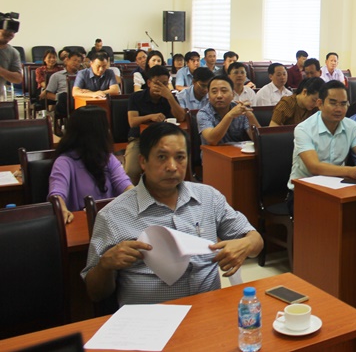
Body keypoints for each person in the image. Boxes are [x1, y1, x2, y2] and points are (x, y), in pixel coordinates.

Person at [81, 123, 263, 305]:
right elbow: (95, 293)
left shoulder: (208, 197)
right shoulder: (112, 215)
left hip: (207, 311)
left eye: (180, 157)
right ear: (143, 161)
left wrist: (246, 244)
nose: (172, 167)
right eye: (162, 157)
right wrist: (105, 265)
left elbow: (256, 241)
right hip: (149, 317)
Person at [288, 81, 356, 202]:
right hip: (304, 192)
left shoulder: (352, 126)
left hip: (338, 189)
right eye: (333, 103)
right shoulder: (304, 129)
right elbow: (314, 167)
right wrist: (350, 171)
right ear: (320, 104)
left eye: (343, 104)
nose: (338, 109)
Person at [47, 106, 134, 223]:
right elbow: (57, 193)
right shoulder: (64, 162)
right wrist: (61, 209)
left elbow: (124, 184)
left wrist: (137, 198)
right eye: (106, 128)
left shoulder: (107, 158)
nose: (109, 132)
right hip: (80, 224)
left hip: (109, 222)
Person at [125, 65, 186, 183]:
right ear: (149, 83)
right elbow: (132, 122)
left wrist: (170, 97)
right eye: (157, 83)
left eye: (164, 83)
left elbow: (181, 117)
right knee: (131, 171)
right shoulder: (136, 97)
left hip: (165, 141)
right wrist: (150, 117)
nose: (161, 87)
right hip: (139, 139)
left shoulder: (169, 97)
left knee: (174, 167)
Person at [198, 75, 259, 145]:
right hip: (212, 151)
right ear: (208, 95)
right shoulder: (203, 113)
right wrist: (229, 115)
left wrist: (250, 116)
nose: (219, 96)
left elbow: (257, 139)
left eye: (224, 91)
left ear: (233, 94)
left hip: (238, 151)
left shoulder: (240, 110)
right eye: (214, 92)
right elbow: (212, 140)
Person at [45, 50, 82, 117]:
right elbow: (48, 94)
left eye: (79, 61)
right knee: (63, 96)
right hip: (64, 101)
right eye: (74, 60)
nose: (76, 63)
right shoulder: (56, 76)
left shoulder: (82, 76)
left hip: (79, 100)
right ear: (67, 60)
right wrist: (60, 98)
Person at [0, 26, 22, 90]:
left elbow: (18, 79)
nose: (11, 34)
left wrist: (1, 71)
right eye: (6, 31)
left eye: (13, 32)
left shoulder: (13, 52)